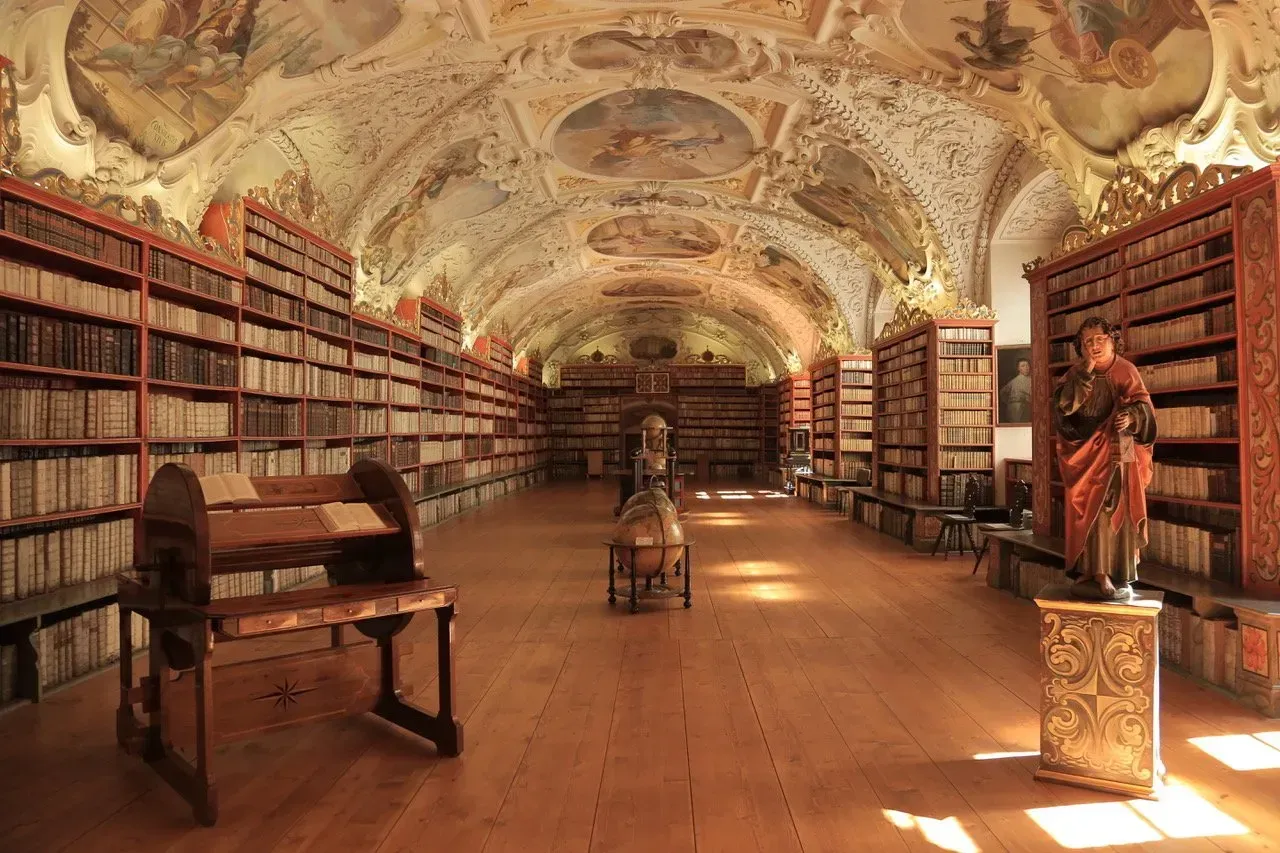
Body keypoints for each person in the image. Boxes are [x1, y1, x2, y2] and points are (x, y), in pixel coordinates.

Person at [1052, 317, 1156, 600]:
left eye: (1100, 339)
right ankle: (1088, 569)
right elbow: (1063, 410)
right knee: (1085, 509)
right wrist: (1083, 377)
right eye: (1088, 342)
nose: (1094, 346)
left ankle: (1111, 572)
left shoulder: (1126, 371)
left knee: (1111, 511)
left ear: (1111, 340)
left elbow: (1144, 409)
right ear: (1081, 346)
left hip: (1115, 454)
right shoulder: (1075, 372)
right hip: (1083, 454)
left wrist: (1131, 416)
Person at [1000, 357, 1032, 422]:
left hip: (1026, 407)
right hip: (1013, 408)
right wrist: (1009, 402)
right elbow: (1002, 392)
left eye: (1027, 365)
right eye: (1023, 366)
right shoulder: (1014, 381)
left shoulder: (1031, 379)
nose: (1026, 368)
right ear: (1018, 368)